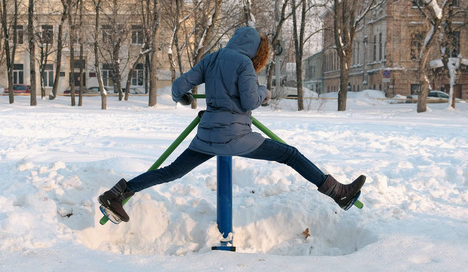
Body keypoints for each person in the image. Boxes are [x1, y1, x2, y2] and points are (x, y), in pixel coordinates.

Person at [98, 26, 365, 223]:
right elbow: (249, 101)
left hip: (208, 134)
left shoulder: (212, 58)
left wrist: (185, 97)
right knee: (289, 154)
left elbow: (179, 86)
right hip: (236, 136)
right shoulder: (245, 65)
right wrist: (265, 92)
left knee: (171, 171)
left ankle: (118, 193)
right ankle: (338, 193)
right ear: (256, 50)